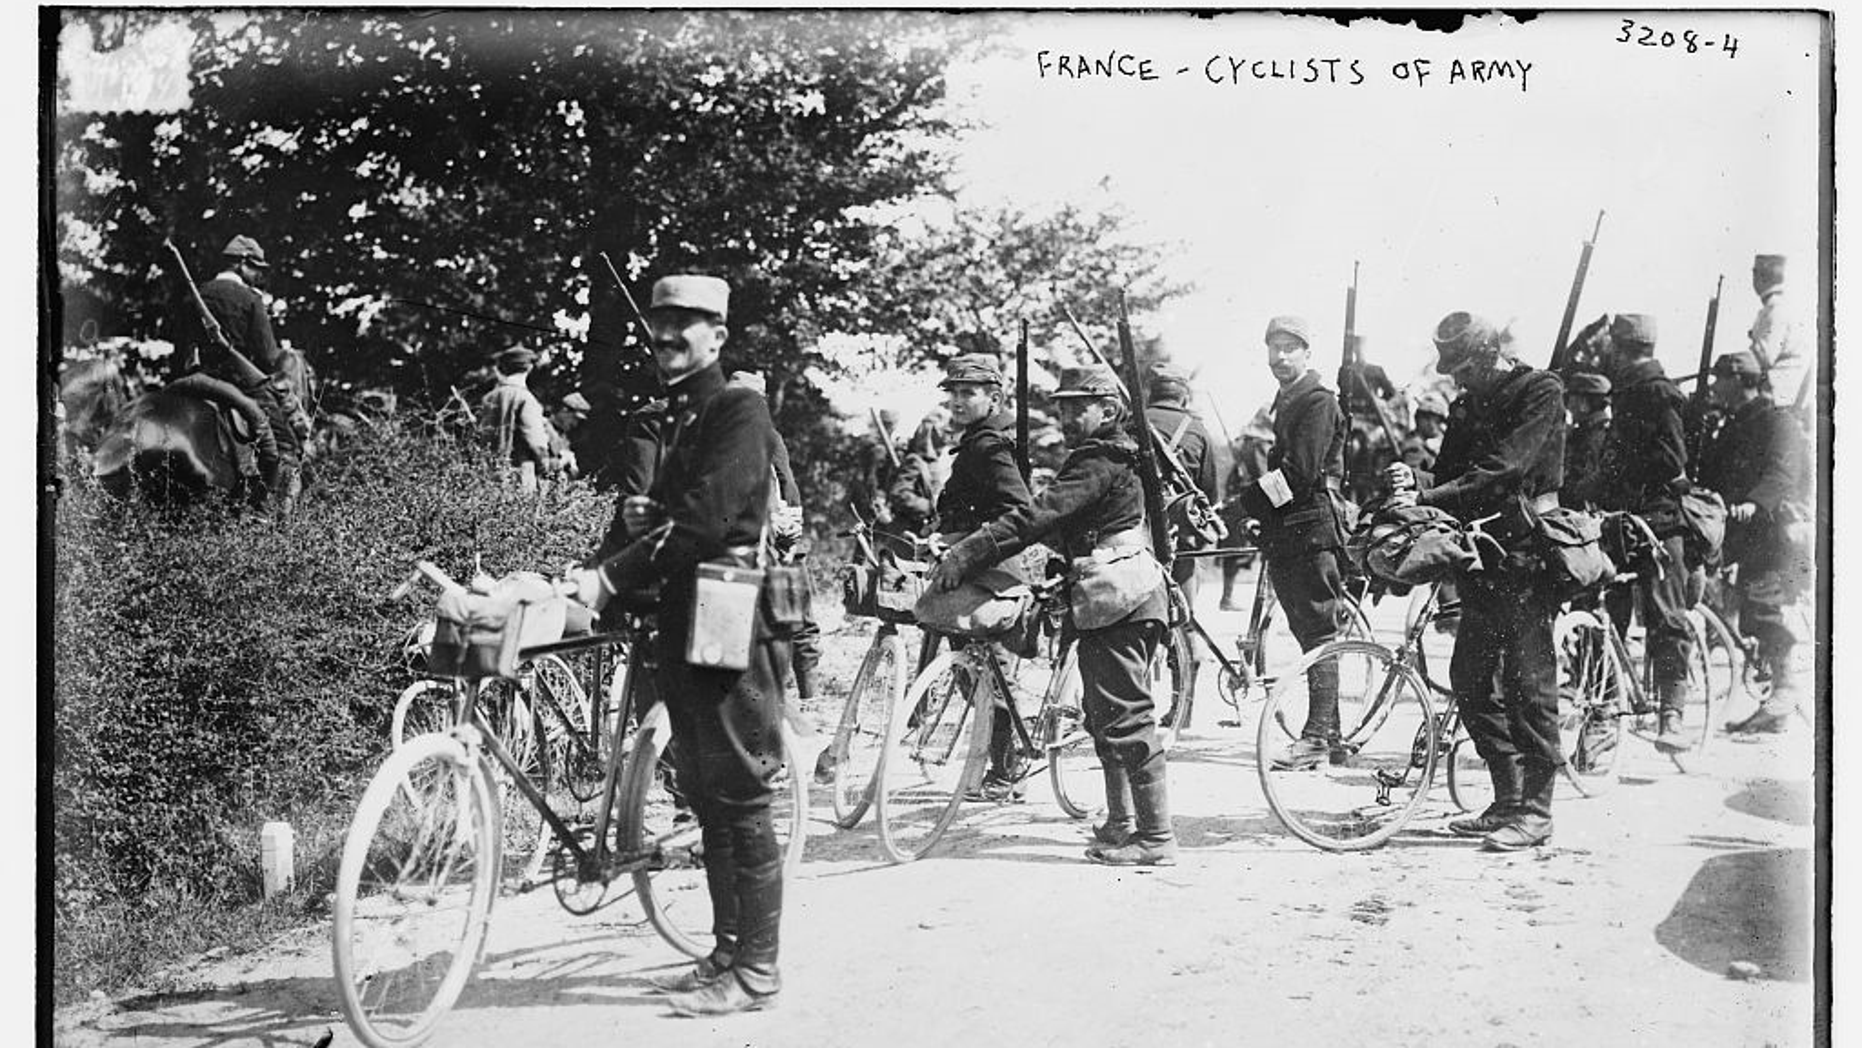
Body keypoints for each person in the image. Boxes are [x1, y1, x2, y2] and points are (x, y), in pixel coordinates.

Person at [567, 274, 788, 1016]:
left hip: (727, 620)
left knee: (742, 794)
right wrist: (631, 528)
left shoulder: (738, 410)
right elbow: (668, 518)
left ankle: (756, 971)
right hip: (682, 622)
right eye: (659, 330)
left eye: (683, 329)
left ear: (717, 336)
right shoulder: (687, 415)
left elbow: (701, 526)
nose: (666, 341)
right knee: (706, 792)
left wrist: (608, 579)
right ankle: (726, 952)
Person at [926, 363, 1177, 865]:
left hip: (1119, 595)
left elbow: (1038, 515)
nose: (1064, 415)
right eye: (1060, 406)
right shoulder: (1109, 454)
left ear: (1108, 411)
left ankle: (1156, 838)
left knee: (1126, 716)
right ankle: (1122, 822)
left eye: (1075, 406)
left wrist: (967, 553)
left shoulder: (1100, 459)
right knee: (1104, 713)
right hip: (1109, 593)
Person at [1386, 311, 1567, 851]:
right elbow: (1449, 478)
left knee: (1529, 685)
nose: (1457, 382)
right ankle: (1507, 799)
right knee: (1469, 678)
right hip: (1482, 555)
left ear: (1489, 356)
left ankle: (1536, 811)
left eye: (1464, 368)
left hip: (1528, 554)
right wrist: (1413, 481)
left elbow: (1505, 470)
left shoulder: (1540, 391)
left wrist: (1426, 498)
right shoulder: (1468, 402)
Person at [1231, 316, 1351, 771]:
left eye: (1289, 348)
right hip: (1292, 532)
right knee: (1310, 634)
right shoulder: (1289, 399)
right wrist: (1263, 518)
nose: (1279, 357)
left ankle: (1317, 736)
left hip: (1313, 530)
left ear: (1307, 352)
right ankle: (1332, 735)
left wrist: (1247, 504)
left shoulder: (1317, 401)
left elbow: (1299, 474)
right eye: (1273, 348)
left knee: (1320, 632)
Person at [1588, 313, 1699, 752]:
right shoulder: (1632, 391)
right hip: (1622, 521)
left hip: (1658, 520)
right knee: (1600, 611)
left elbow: (1672, 459)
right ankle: (1602, 713)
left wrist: (1618, 473)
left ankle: (1672, 715)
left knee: (1665, 614)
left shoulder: (1657, 394)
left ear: (1622, 349)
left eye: (1613, 348)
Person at [931, 353, 1035, 798]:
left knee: (991, 673)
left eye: (967, 392)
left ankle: (1008, 768)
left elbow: (1018, 510)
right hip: (974, 564)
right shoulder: (981, 437)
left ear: (993, 397)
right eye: (952, 391)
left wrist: (969, 546)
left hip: (990, 569)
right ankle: (1000, 761)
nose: (956, 400)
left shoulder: (991, 445)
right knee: (978, 670)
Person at [1697, 350, 1810, 734]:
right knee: (1726, 600)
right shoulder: (1732, 425)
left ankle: (1785, 687)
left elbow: (1783, 474)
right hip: (1744, 534)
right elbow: (1712, 473)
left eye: (1719, 379)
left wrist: (1752, 502)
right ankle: (1773, 709)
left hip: (1775, 534)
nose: (1714, 386)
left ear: (1739, 380)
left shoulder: (1779, 422)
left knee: (1763, 607)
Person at [191, 235, 304, 504]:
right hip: (240, 384)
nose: (257, 276)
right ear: (242, 264)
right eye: (256, 268)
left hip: (197, 380)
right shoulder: (250, 299)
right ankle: (271, 512)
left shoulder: (199, 292)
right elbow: (268, 358)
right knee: (287, 445)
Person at [1144, 361, 1221, 612]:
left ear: (1150, 392)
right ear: (1184, 396)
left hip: (1136, 532)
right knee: (1183, 611)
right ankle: (1188, 644)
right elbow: (1208, 492)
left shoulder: (1131, 424)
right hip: (1179, 533)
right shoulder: (1196, 430)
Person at [477, 345, 558, 492]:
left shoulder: (488, 398)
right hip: (519, 475)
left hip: (488, 474)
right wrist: (547, 467)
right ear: (529, 368)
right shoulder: (526, 399)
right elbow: (535, 441)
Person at [1217, 404, 1275, 608]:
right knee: (1270, 548)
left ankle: (1227, 595)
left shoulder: (1243, 443)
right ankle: (1268, 598)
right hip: (1254, 501)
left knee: (1233, 550)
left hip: (1237, 499)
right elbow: (1263, 476)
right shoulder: (1260, 444)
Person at [1747, 253, 1813, 429]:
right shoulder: (1780, 307)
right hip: (1782, 398)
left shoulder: (1775, 310)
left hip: (1777, 400)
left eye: (1755, 273)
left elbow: (1763, 359)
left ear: (1760, 276)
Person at [1559, 371, 1612, 510]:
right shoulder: (1593, 431)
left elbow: (1585, 483)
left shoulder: (1593, 436)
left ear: (1583, 403)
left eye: (1570, 399)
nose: (1568, 406)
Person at [1398, 391, 1448, 473]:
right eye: (1438, 421)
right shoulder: (1414, 447)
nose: (1438, 427)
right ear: (1424, 420)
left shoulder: (1419, 445)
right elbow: (1413, 479)